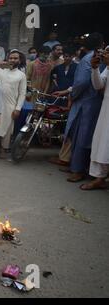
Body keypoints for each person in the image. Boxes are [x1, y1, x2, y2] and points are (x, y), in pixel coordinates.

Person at [65, 33, 104, 183]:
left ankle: (78, 170)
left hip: (85, 102)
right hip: (94, 102)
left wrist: (72, 95)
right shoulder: (96, 59)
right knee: (85, 136)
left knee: (81, 137)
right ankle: (78, 167)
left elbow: (81, 82)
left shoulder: (87, 60)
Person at [81, 46, 109, 190]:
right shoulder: (107, 69)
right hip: (106, 112)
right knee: (102, 144)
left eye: (107, 52)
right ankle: (100, 178)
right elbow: (98, 85)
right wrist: (95, 68)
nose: (105, 55)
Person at [0, 50, 27, 158]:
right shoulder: (0, 70)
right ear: (7, 59)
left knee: (7, 128)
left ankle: (4, 148)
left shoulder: (21, 75)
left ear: (20, 60)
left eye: (15, 58)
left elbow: (22, 93)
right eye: (11, 58)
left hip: (10, 105)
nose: (13, 60)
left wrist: (18, 108)